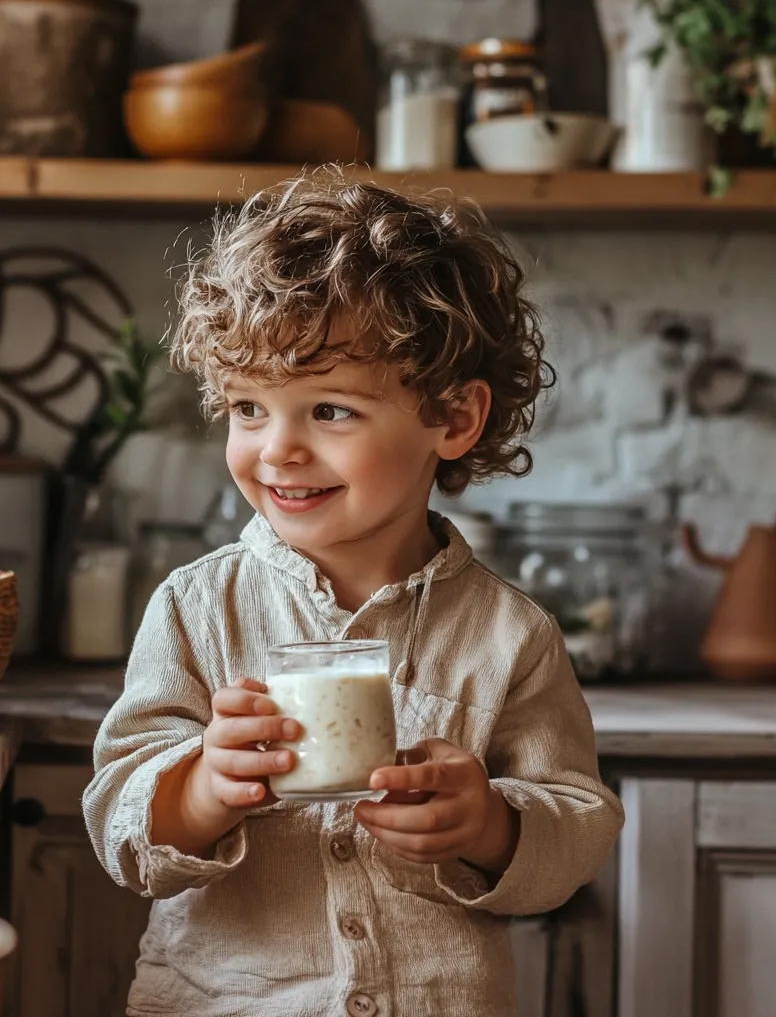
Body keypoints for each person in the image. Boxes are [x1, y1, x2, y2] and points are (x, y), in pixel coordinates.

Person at [83, 172, 624, 1017]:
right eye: (248, 407)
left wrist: (489, 826)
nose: (278, 450)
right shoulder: (196, 608)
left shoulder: (510, 636)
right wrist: (199, 789)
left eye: (329, 411)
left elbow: (578, 824)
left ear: (453, 417)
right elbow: (120, 824)